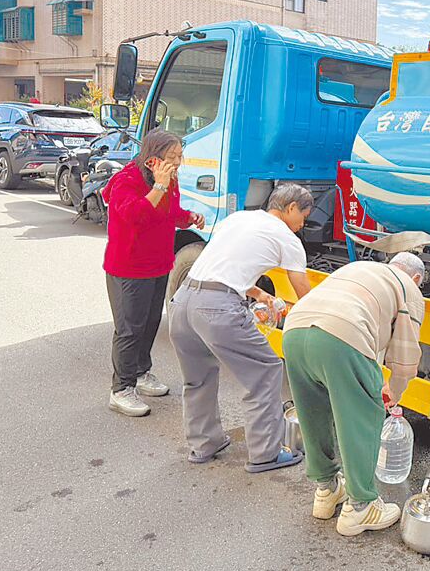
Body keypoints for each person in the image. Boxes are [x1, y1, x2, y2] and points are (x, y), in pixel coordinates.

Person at [168, 183, 314, 473]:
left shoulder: (238, 219)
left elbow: (223, 264)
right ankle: (266, 453)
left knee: (197, 378)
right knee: (265, 370)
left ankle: (204, 444)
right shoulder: (287, 238)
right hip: (217, 308)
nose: (302, 225)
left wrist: (258, 293)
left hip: (182, 301)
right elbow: (303, 292)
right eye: (304, 217)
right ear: (291, 208)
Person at [283, 253, 426, 537]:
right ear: (417, 278)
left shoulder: (361, 268)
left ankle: (326, 491)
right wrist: (394, 390)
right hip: (341, 336)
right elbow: (405, 355)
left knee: (313, 414)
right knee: (362, 417)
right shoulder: (409, 288)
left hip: (295, 330)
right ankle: (361, 507)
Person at [102, 129, 204, 417]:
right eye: (172, 156)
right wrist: (159, 186)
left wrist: (188, 217)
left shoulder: (167, 180)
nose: (178, 162)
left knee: (149, 324)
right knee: (129, 328)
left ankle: (140, 372)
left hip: (158, 264)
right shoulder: (126, 180)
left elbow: (169, 212)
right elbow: (136, 216)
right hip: (129, 268)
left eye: (180, 155)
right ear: (152, 158)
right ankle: (121, 389)